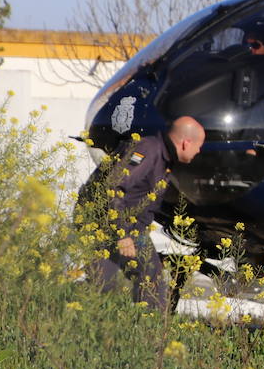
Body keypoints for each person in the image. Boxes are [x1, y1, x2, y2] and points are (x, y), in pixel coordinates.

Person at [81, 116, 205, 311]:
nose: (199, 151)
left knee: (121, 284)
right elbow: (114, 187)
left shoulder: (163, 157)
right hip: (104, 224)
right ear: (185, 142)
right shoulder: (148, 150)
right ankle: (147, 331)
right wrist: (122, 234)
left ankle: (133, 331)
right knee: (140, 281)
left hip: (123, 226)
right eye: (198, 146)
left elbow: (141, 202)